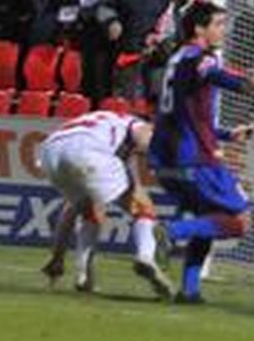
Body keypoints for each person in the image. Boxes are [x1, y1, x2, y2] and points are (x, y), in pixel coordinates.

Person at [150, 1, 254, 304]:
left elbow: (184, 113)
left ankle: (190, 291)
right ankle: (172, 230)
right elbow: (214, 73)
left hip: (164, 159)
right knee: (239, 221)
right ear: (199, 29)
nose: (223, 30)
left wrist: (227, 134)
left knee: (211, 216)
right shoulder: (199, 58)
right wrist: (247, 84)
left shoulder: (176, 58)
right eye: (218, 24)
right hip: (195, 159)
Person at [36, 110, 173, 299]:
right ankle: (145, 257)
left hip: (49, 153)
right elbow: (143, 137)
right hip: (87, 150)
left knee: (87, 208)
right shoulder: (132, 122)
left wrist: (57, 257)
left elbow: (68, 214)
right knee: (143, 207)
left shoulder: (100, 122)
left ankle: (83, 276)